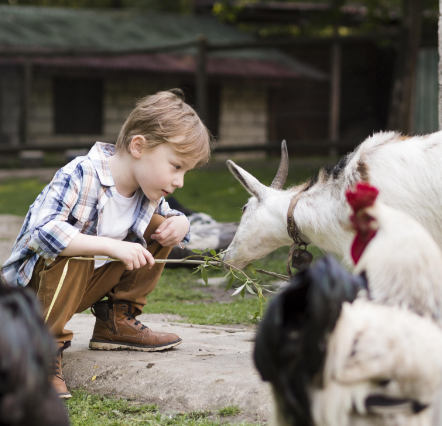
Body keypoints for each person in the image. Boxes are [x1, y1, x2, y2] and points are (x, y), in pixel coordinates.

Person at [0, 89, 212, 399]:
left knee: (164, 227)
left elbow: (171, 218)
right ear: (139, 146)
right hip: (29, 295)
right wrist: (109, 247)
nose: (180, 181)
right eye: (176, 166)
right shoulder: (81, 174)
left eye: (186, 172)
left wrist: (181, 223)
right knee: (75, 248)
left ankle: (117, 322)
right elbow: (42, 234)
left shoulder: (145, 190)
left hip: (80, 288)